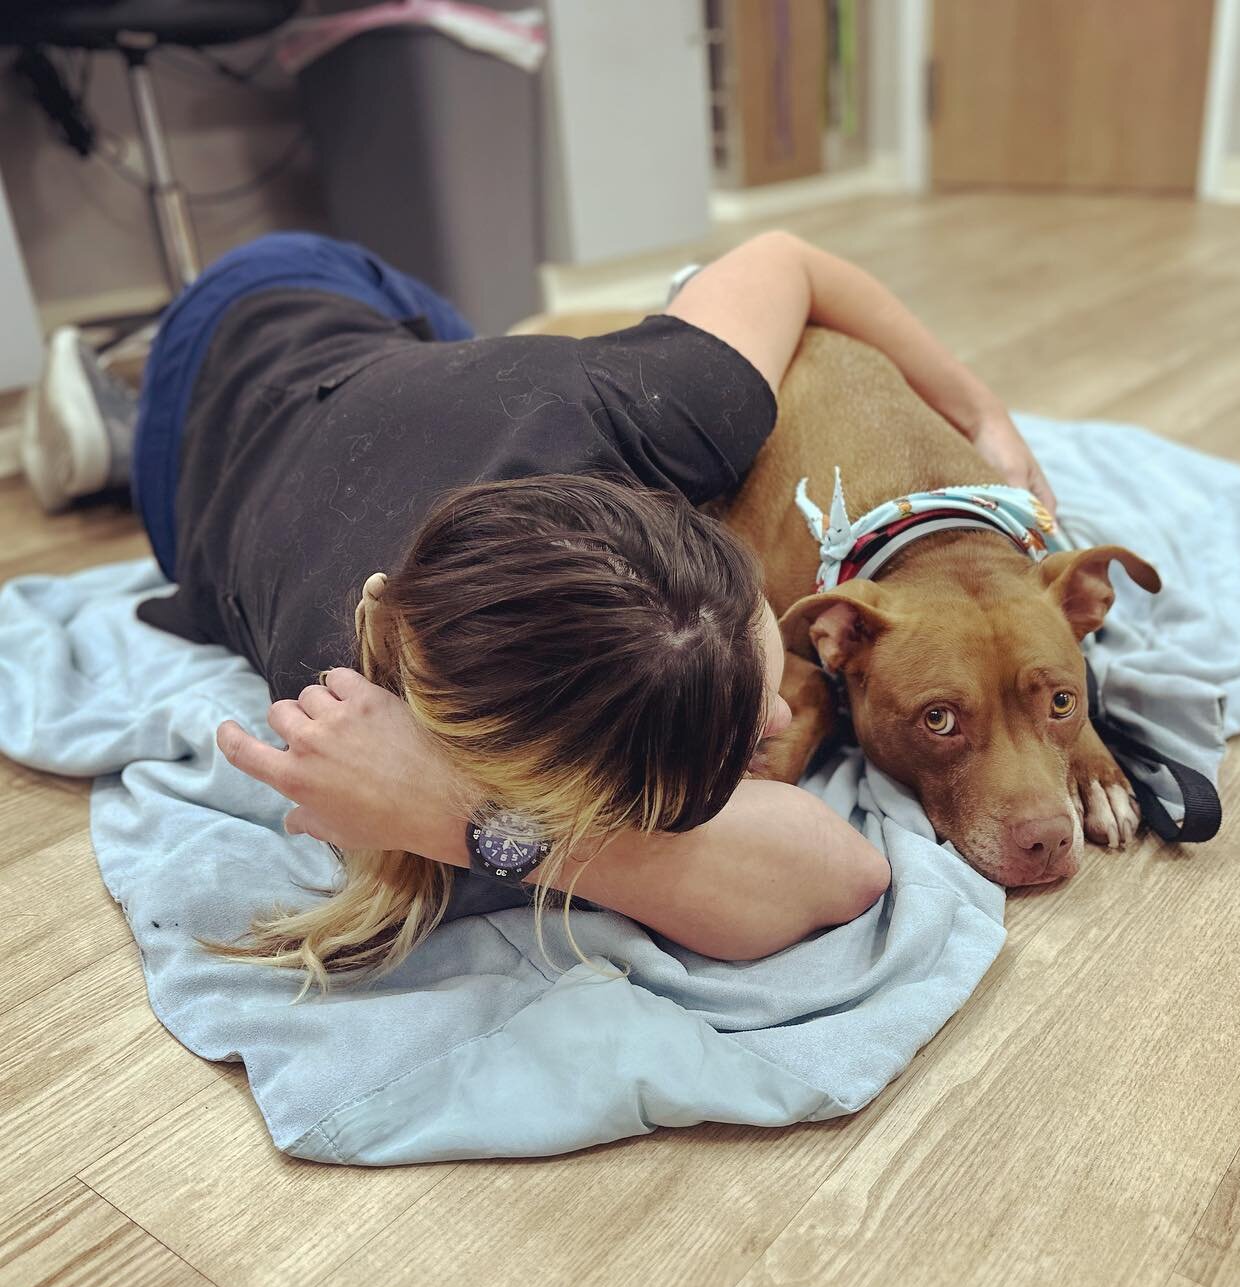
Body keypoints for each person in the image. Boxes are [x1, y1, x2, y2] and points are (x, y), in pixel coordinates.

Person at [27, 230, 1053, 986]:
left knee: (462, 345)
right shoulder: (355, 689)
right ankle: (123, 411)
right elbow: (838, 872)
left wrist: (982, 413)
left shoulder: (656, 405)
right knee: (456, 345)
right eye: (748, 731)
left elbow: (788, 256)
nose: (788, 716)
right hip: (241, 369)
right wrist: (468, 820)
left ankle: (134, 415)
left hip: (304, 354)